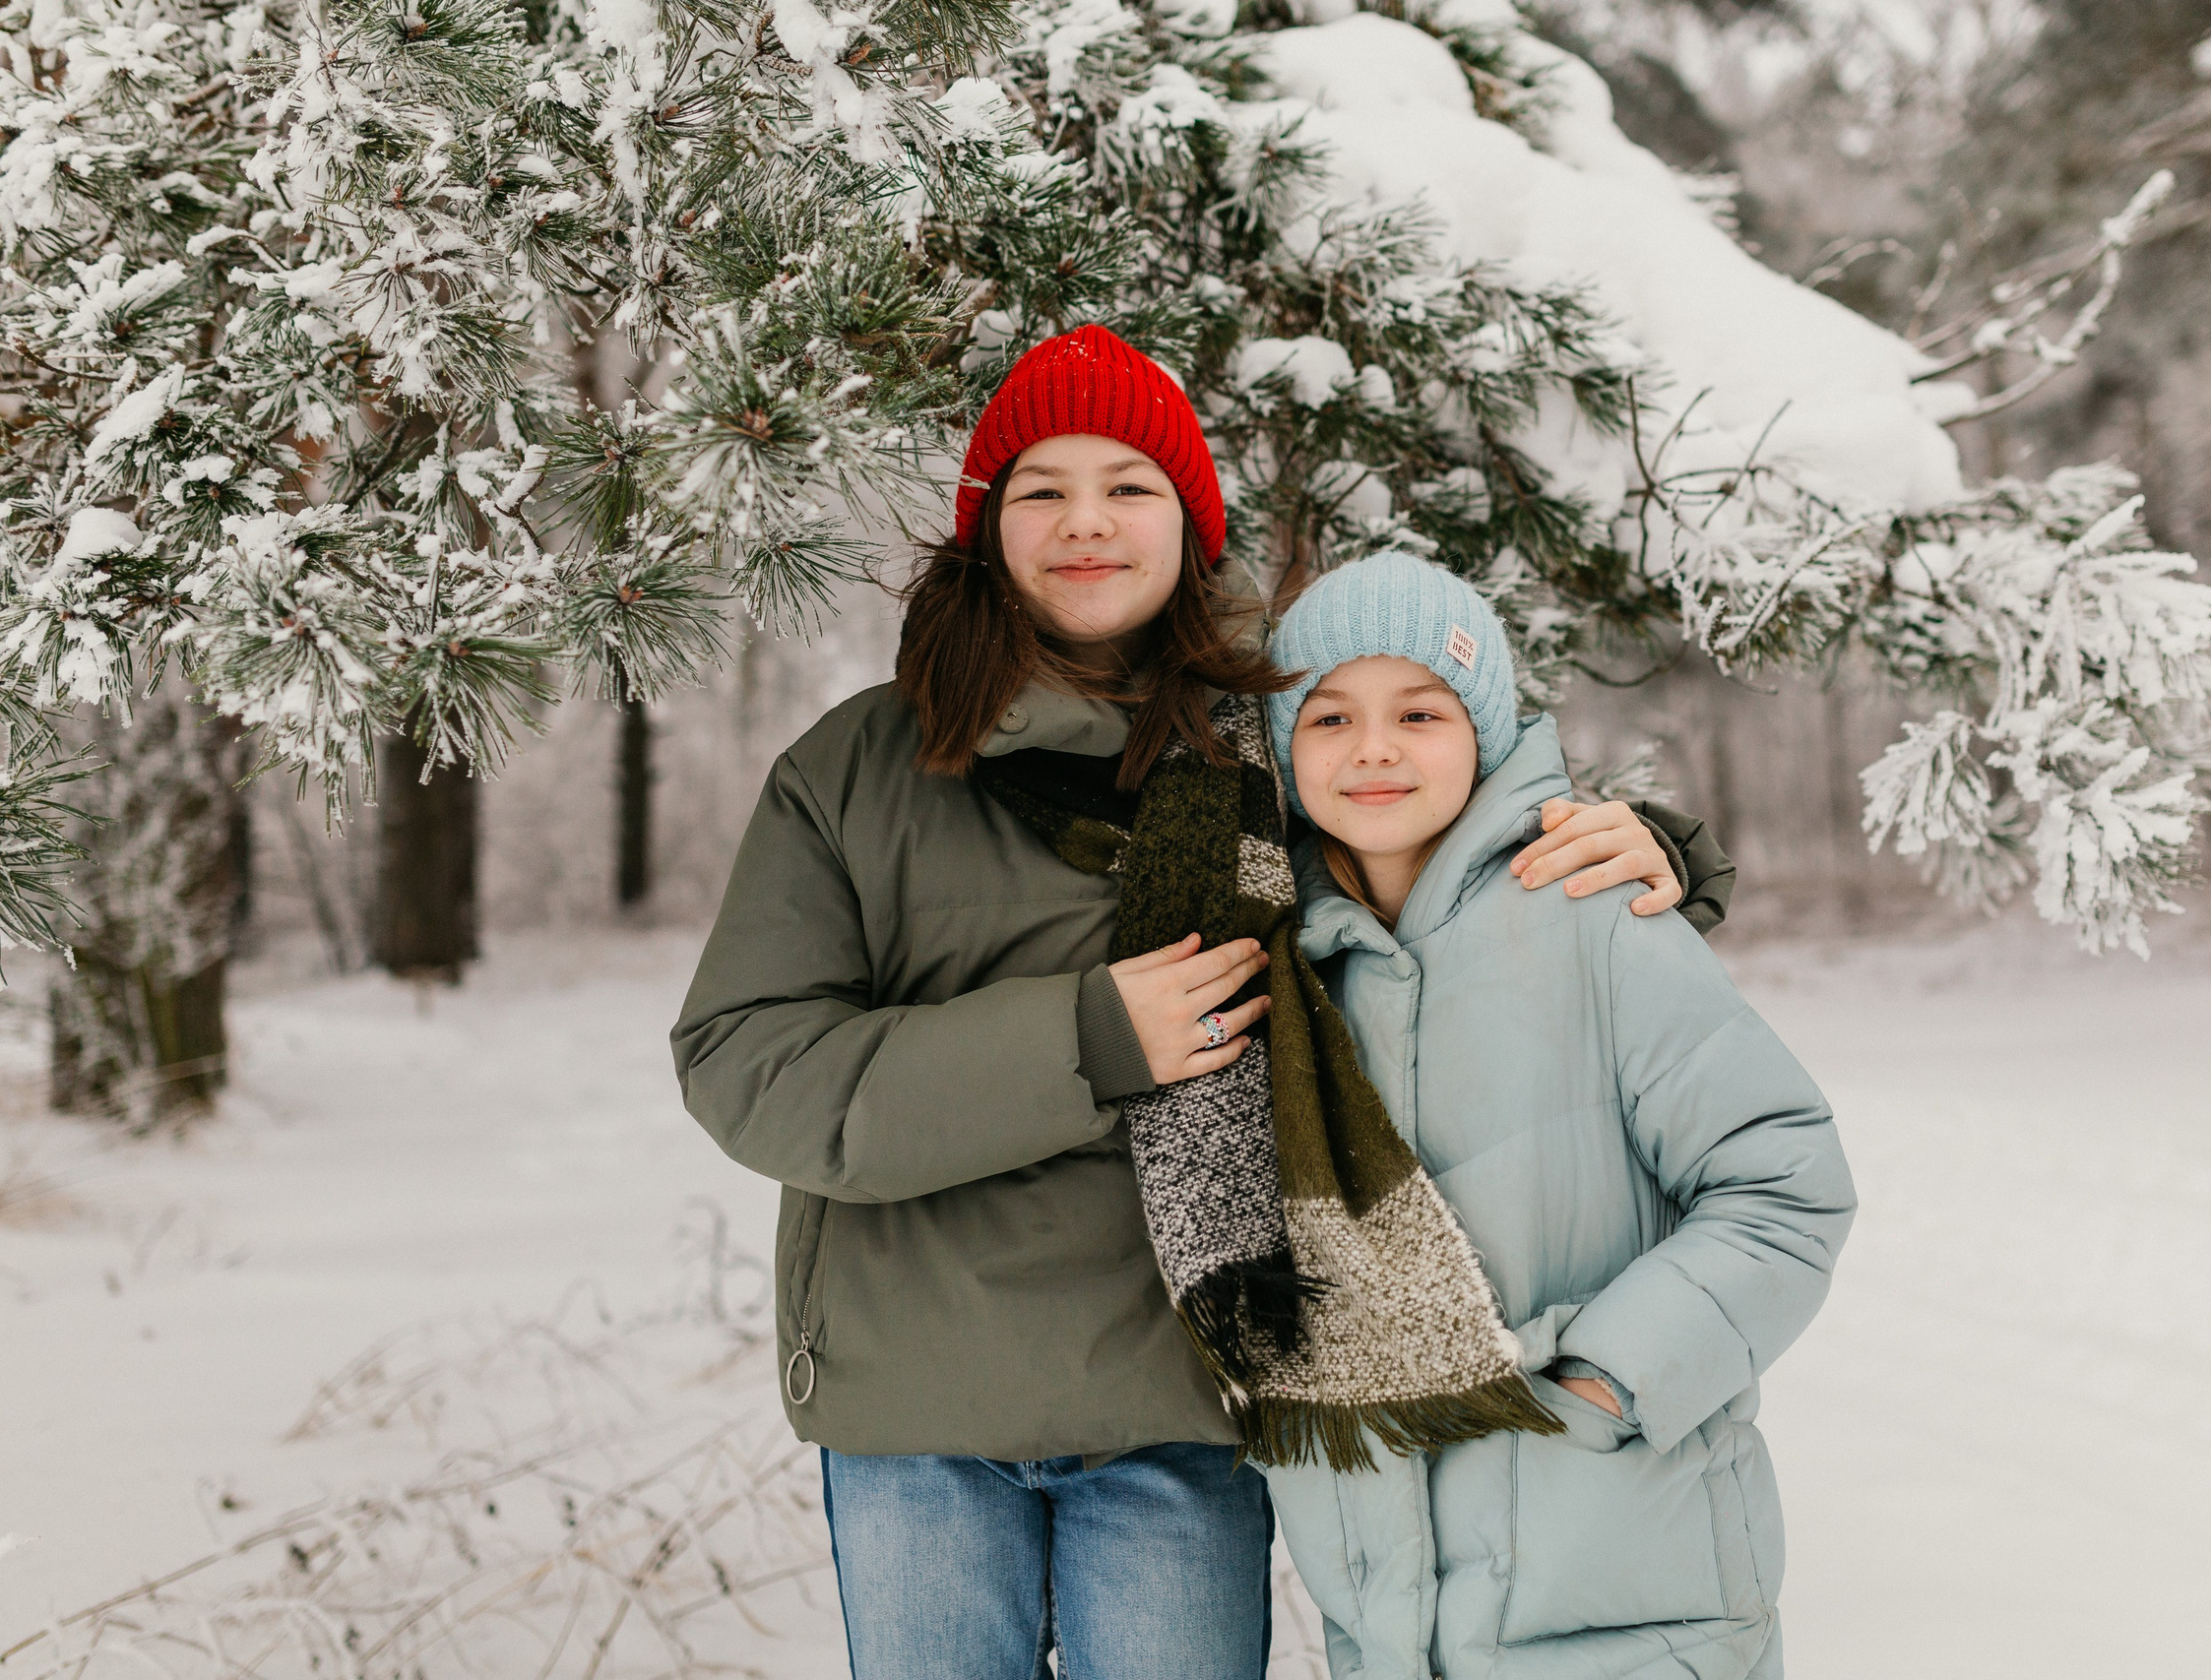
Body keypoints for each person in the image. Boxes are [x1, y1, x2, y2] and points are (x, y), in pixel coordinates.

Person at [668, 326, 1722, 1680]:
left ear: (1190, 524)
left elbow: (1454, 860)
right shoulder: (860, 767)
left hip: (1186, 1398)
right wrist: (1085, 1040)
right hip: (916, 1408)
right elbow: (750, 1063)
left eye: (1131, 485)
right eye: (1041, 488)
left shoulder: (1264, 754)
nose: (1087, 522)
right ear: (984, 528)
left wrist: (1660, 850)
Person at [1257, 551, 1857, 1680]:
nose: (1373, 746)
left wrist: (1605, 1379)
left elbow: (1785, 1186)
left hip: (1630, 1597)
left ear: (1482, 729)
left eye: (1418, 710)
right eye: (1328, 714)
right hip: (1389, 1628)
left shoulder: (1595, 913)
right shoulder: (1279, 977)